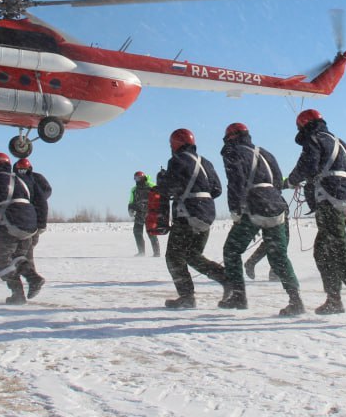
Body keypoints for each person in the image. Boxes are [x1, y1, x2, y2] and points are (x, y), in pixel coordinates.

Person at [283, 109, 346, 322]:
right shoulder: (341, 143)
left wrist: (290, 182)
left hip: (330, 200)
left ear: (303, 125)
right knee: (322, 251)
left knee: (337, 250)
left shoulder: (314, 139)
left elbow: (307, 164)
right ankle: (334, 300)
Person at [220, 122, 304, 316]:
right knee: (279, 256)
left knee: (232, 250)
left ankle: (239, 296)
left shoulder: (232, 152)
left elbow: (235, 182)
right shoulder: (266, 153)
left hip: (253, 206)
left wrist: (235, 211)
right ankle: (296, 300)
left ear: (230, 137)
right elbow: (277, 181)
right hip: (276, 207)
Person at [155, 128, 228, 309]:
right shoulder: (206, 162)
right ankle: (227, 279)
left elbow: (171, 187)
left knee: (174, 257)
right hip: (207, 214)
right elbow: (217, 190)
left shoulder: (176, 161)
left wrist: (162, 182)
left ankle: (187, 297)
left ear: (175, 144)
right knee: (192, 255)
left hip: (187, 215)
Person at [0, 152, 43, 304]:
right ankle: (33, 278)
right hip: (29, 225)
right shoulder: (22, 179)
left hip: (10, 224)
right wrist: (40, 225)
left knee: (1, 262)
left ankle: (18, 294)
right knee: (17, 257)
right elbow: (40, 200)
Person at [14, 156, 52, 295]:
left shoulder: (15, 180)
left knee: (15, 256)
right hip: (31, 223)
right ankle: (32, 281)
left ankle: (30, 282)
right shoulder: (36, 179)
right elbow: (46, 192)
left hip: (22, 223)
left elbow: (45, 194)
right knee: (26, 254)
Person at [127, 171, 161, 257]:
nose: (137, 180)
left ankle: (157, 253)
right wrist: (130, 209)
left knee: (151, 233)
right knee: (137, 232)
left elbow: (159, 197)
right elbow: (131, 201)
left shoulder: (151, 186)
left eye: (138, 178)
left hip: (150, 213)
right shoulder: (134, 190)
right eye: (135, 178)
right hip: (139, 213)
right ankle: (141, 252)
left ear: (143, 177)